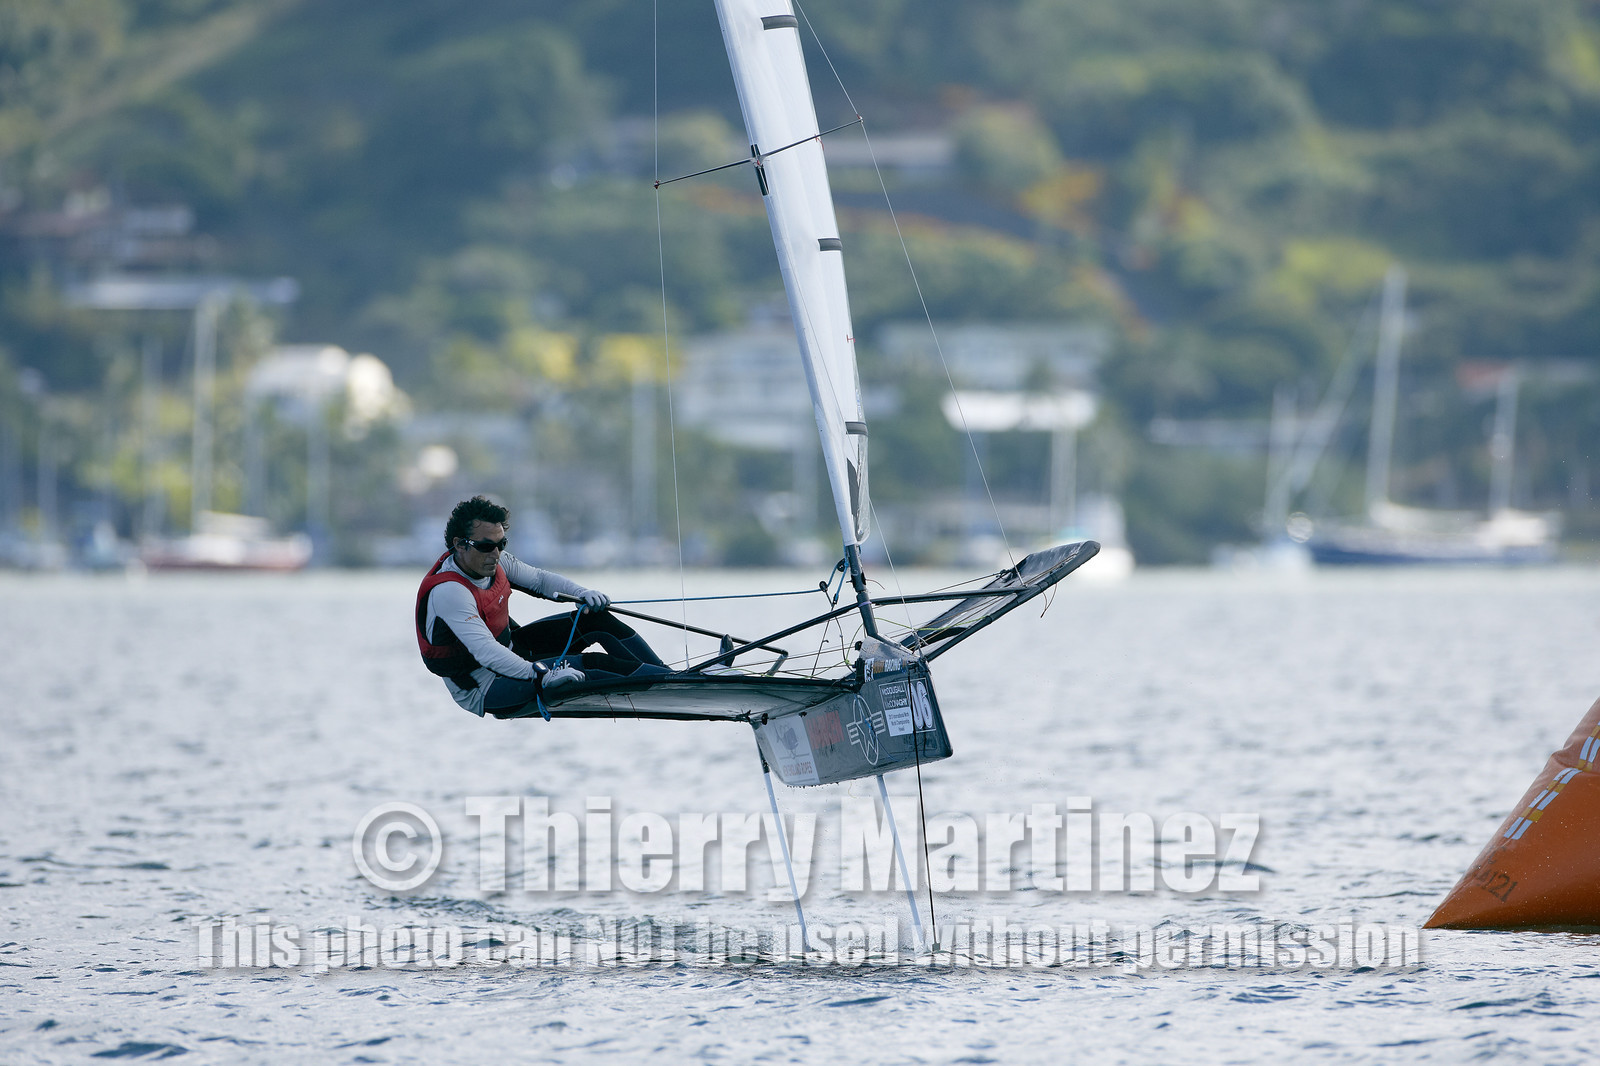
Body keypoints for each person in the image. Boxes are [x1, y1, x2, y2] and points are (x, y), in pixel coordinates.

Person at [415, 496, 668, 719]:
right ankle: (665, 683)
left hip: (515, 653)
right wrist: (541, 674)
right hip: (485, 686)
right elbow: (486, 652)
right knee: (589, 665)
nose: (495, 554)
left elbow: (539, 580)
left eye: (501, 544)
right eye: (485, 546)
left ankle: (669, 676)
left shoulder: (495, 561)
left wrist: (581, 593)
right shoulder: (450, 592)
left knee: (595, 619)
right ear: (460, 544)